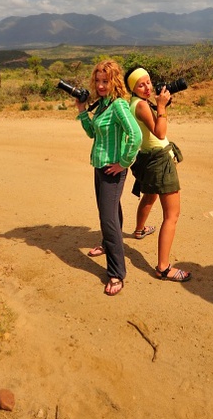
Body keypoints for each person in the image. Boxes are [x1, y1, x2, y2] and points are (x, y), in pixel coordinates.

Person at [75, 59, 142, 296]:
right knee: (112, 210)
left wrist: (123, 162)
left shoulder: (119, 106)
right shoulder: (103, 105)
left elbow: (135, 135)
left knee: (107, 219)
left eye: (106, 81)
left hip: (112, 169)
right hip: (100, 165)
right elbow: (93, 132)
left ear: (114, 81)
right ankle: (106, 245)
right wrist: (82, 111)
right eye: (98, 81)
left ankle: (116, 273)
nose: (101, 85)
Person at [124, 67, 191, 282]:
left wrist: (161, 106)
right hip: (159, 161)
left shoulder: (134, 103)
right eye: (141, 84)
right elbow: (160, 132)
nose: (148, 87)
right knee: (172, 215)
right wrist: (161, 106)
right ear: (133, 88)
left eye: (149, 82)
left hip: (148, 158)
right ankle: (163, 267)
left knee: (150, 195)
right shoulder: (142, 105)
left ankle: (139, 230)